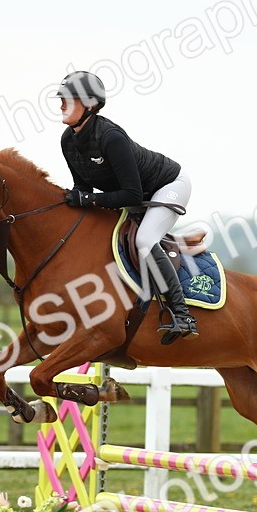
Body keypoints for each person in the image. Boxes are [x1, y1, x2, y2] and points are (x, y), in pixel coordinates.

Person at [53, 70, 198, 344]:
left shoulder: (111, 137)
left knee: (144, 239)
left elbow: (130, 194)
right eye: (61, 99)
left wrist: (91, 200)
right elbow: (82, 187)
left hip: (168, 186)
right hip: (136, 193)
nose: (61, 105)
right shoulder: (67, 140)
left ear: (90, 106)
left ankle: (182, 314)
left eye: (69, 100)